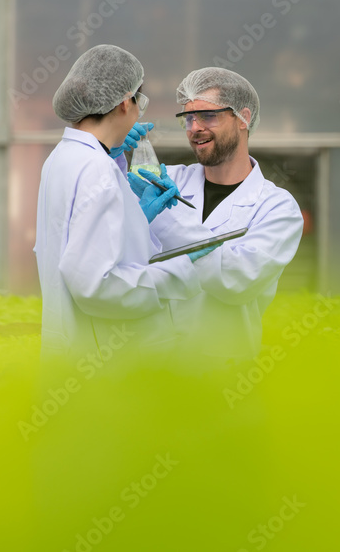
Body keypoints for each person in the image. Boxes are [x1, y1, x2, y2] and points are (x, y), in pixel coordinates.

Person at [34, 45, 212, 360]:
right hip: (108, 361)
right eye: (139, 103)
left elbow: (79, 241)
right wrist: (181, 270)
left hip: (75, 349)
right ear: (125, 102)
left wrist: (136, 218)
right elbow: (95, 285)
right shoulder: (96, 169)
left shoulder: (62, 158)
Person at [125, 67, 304, 366]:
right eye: (189, 119)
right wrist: (112, 153)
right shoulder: (169, 180)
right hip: (149, 366)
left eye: (208, 116)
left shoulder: (277, 207)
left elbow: (235, 281)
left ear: (243, 118)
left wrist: (167, 216)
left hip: (223, 372)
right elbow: (108, 228)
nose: (195, 127)